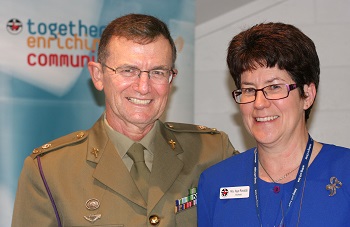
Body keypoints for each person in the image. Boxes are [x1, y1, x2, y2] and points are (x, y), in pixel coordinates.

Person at [12, 14, 238, 227]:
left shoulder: (212, 152)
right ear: (98, 76)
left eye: (158, 72)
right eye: (129, 70)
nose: (143, 87)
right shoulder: (49, 170)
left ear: (172, 78)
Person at [197, 22, 350, 227]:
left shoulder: (344, 171)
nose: (260, 103)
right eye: (249, 90)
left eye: (275, 87)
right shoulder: (215, 182)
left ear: (307, 95)